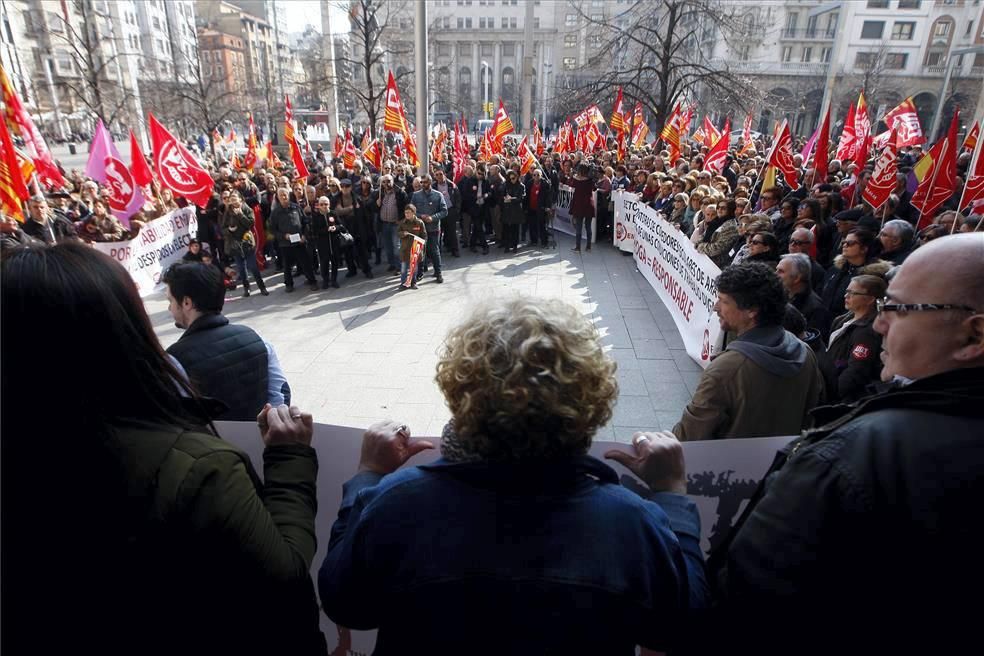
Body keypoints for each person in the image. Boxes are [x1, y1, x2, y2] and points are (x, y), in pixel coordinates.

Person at [318, 297, 708, 654]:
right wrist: (671, 493)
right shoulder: (631, 523)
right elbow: (678, 624)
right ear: (590, 402)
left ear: (460, 391)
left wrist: (368, 475)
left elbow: (346, 604)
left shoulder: (397, 503)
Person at [1, 243, 326, 655]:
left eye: (169, 301)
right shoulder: (196, 469)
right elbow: (285, 580)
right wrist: (289, 457)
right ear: (120, 327)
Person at [683, 232, 983, 654]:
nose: (879, 324)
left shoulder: (848, 458)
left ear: (974, 335)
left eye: (897, 308)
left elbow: (746, 597)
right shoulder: (804, 356)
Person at [673, 262, 822, 440]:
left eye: (724, 301)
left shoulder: (726, 370)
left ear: (752, 310)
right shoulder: (805, 352)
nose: (716, 307)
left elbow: (688, 437)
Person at [163, 262, 291, 420]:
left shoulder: (174, 361)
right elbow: (281, 395)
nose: (170, 309)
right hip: (264, 438)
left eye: (170, 301)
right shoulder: (257, 339)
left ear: (187, 303)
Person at [826, 274, 885, 403]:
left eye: (853, 293)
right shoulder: (841, 320)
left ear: (870, 299)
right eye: (847, 291)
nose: (846, 296)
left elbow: (856, 372)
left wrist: (830, 394)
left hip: (843, 399)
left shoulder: (867, 331)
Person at [820, 227, 890, 316]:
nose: (844, 246)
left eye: (850, 243)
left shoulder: (873, 278)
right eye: (843, 243)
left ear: (864, 249)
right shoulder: (836, 268)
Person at [269, 187, 318, 292]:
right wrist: (283, 236)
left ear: (289, 195)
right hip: (285, 244)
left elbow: (305, 222)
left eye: (285, 194)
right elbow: (272, 230)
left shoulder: (296, 207)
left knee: (306, 263)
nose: (283, 197)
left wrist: (305, 235)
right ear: (277, 197)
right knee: (287, 266)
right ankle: (289, 284)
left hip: (299, 241)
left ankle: (312, 281)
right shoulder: (275, 212)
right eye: (281, 195)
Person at [220, 191, 268, 297]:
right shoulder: (227, 212)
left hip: (246, 242)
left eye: (234, 197)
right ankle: (247, 288)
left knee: (253, 266)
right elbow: (222, 229)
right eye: (231, 198)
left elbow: (250, 224)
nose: (232, 200)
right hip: (234, 244)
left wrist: (240, 215)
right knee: (241, 268)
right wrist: (229, 230)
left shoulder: (247, 209)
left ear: (240, 199)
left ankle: (262, 287)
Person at [777, 253, 832, 339]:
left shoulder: (816, 309)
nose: (775, 274)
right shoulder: (780, 297)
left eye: (781, 271)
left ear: (797, 278)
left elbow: (813, 344)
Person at [410, 173, 448, 283]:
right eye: (421, 182)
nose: (423, 184)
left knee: (434, 251)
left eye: (425, 182)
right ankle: (420, 273)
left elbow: (444, 211)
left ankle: (438, 272)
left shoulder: (438, 195)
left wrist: (433, 218)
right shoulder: (416, 195)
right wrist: (420, 216)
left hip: (433, 227)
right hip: (420, 228)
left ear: (430, 182)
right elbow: (411, 211)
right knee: (419, 250)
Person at [310, 195, 349, 289]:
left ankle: (334, 280)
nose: (324, 206)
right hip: (323, 245)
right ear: (318, 205)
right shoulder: (316, 216)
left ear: (329, 204)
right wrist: (326, 229)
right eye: (322, 204)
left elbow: (342, 226)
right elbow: (314, 231)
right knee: (324, 264)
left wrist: (336, 228)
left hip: (334, 243)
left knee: (335, 263)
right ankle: (326, 280)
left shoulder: (333, 213)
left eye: (326, 204)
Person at [375, 174, 408, 273]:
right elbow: (371, 206)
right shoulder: (379, 193)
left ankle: (399, 266)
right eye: (384, 182)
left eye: (388, 181)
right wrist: (376, 204)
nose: (386, 184)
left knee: (396, 247)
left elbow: (406, 207)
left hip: (396, 224)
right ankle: (392, 264)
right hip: (384, 224)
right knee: (388, 247)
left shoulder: (400, 193)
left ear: (393, 181)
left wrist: (402, 218)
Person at [787, 226, 826, 292]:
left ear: (809, 245)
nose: (792, 244)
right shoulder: (783, 262)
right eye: (791, 240)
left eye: (798, 242)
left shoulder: (816, 271)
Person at [397, 203, 426, 289]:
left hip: (415, 249)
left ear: (414, 213)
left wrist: (421, 244)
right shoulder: (402, 223)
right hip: (405, 250)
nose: (407, 214)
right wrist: (403, 234)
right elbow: (398, 233)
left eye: (409, 212)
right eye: (406, 213)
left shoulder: (419, 223)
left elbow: (424, 235)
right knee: (403, 269)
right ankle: (403, 283)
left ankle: (413, 282)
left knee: (414, 268)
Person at [568, 163, 595, 252]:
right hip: (588, 204)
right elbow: (594, 188)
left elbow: (570, 184)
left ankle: (578, 247)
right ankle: (588, 247)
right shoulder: (590, 180)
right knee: (588, 227)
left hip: (578, 205)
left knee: (578, 226)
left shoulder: (576, 180)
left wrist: (573, 176)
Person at [500, 169, 526, 252]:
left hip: (516, 210)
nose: (512, 180)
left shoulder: (521, 186)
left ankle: (515, 245)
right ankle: (507, 245)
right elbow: (501, 194)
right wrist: (504, 198)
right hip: (507, 210)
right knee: (507, 229)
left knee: (515, 229)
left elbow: (521, 198)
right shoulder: (506, 185)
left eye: (514, 178)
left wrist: (512, 199)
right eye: (510, 178)